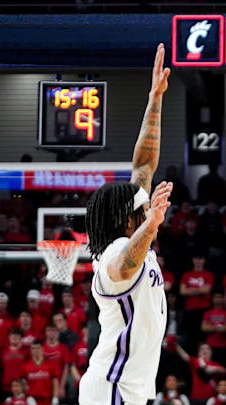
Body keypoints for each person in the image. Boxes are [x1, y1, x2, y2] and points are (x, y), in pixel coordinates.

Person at [79, 43, 171, 405]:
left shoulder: (133, 232)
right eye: (142, 206)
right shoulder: (114, 254)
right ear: (127, 218)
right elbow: (123, 265)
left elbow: (144, 166)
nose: (146, 199)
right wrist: (150, 227)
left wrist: (155, 98)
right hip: (112, 387)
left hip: (126, 389)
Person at [22, 340, 59, 405]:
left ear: (42, 349)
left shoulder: (50, 365)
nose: (36, 350)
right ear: (30, 350)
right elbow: (23, 383)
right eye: (33, 348)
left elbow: (55, 382)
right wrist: (26, 397)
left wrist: (55, 397)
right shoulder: (26, 366)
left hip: (47, 399)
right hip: (32, 400)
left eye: (38, 348)